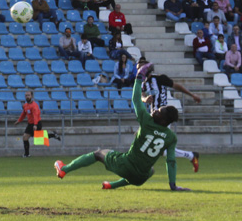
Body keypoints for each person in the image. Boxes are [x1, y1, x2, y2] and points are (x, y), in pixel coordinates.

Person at [54, 63, 190, 191]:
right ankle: (112, 185)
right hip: (140, 178)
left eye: (159, 111)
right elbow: (171, 161)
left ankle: (64, 169)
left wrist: (138, 78)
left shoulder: (147, 121)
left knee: (98, 154)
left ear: (164, 120)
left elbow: (136, 99)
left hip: (125, 166)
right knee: (151, 170)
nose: (155, 110)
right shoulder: (171, 137)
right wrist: (173, 185)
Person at [138, 61, 201, 172]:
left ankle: (142, 168)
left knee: (161, 147)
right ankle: (191, 156)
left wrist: (192, 95)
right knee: (161, 148)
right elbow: (142, 96)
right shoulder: (143, 84)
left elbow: (177, 86)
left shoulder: (160, 79)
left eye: (140, 69)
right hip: (154, 116)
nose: (139, 71)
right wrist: (145, 99)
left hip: (163, 116)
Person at [16, 90, 60, 158]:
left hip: (36, 123)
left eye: (28, 95)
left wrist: (35, 125)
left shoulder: (34, 106)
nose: (27, 97)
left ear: (32, 96)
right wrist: (19, 120)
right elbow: (23, 114)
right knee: (25, 137)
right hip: (30, 124)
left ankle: (53, 135)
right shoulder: (25, 105)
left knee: (39, 138)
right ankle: (27, 154)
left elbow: (35, 115)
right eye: (26, 95)